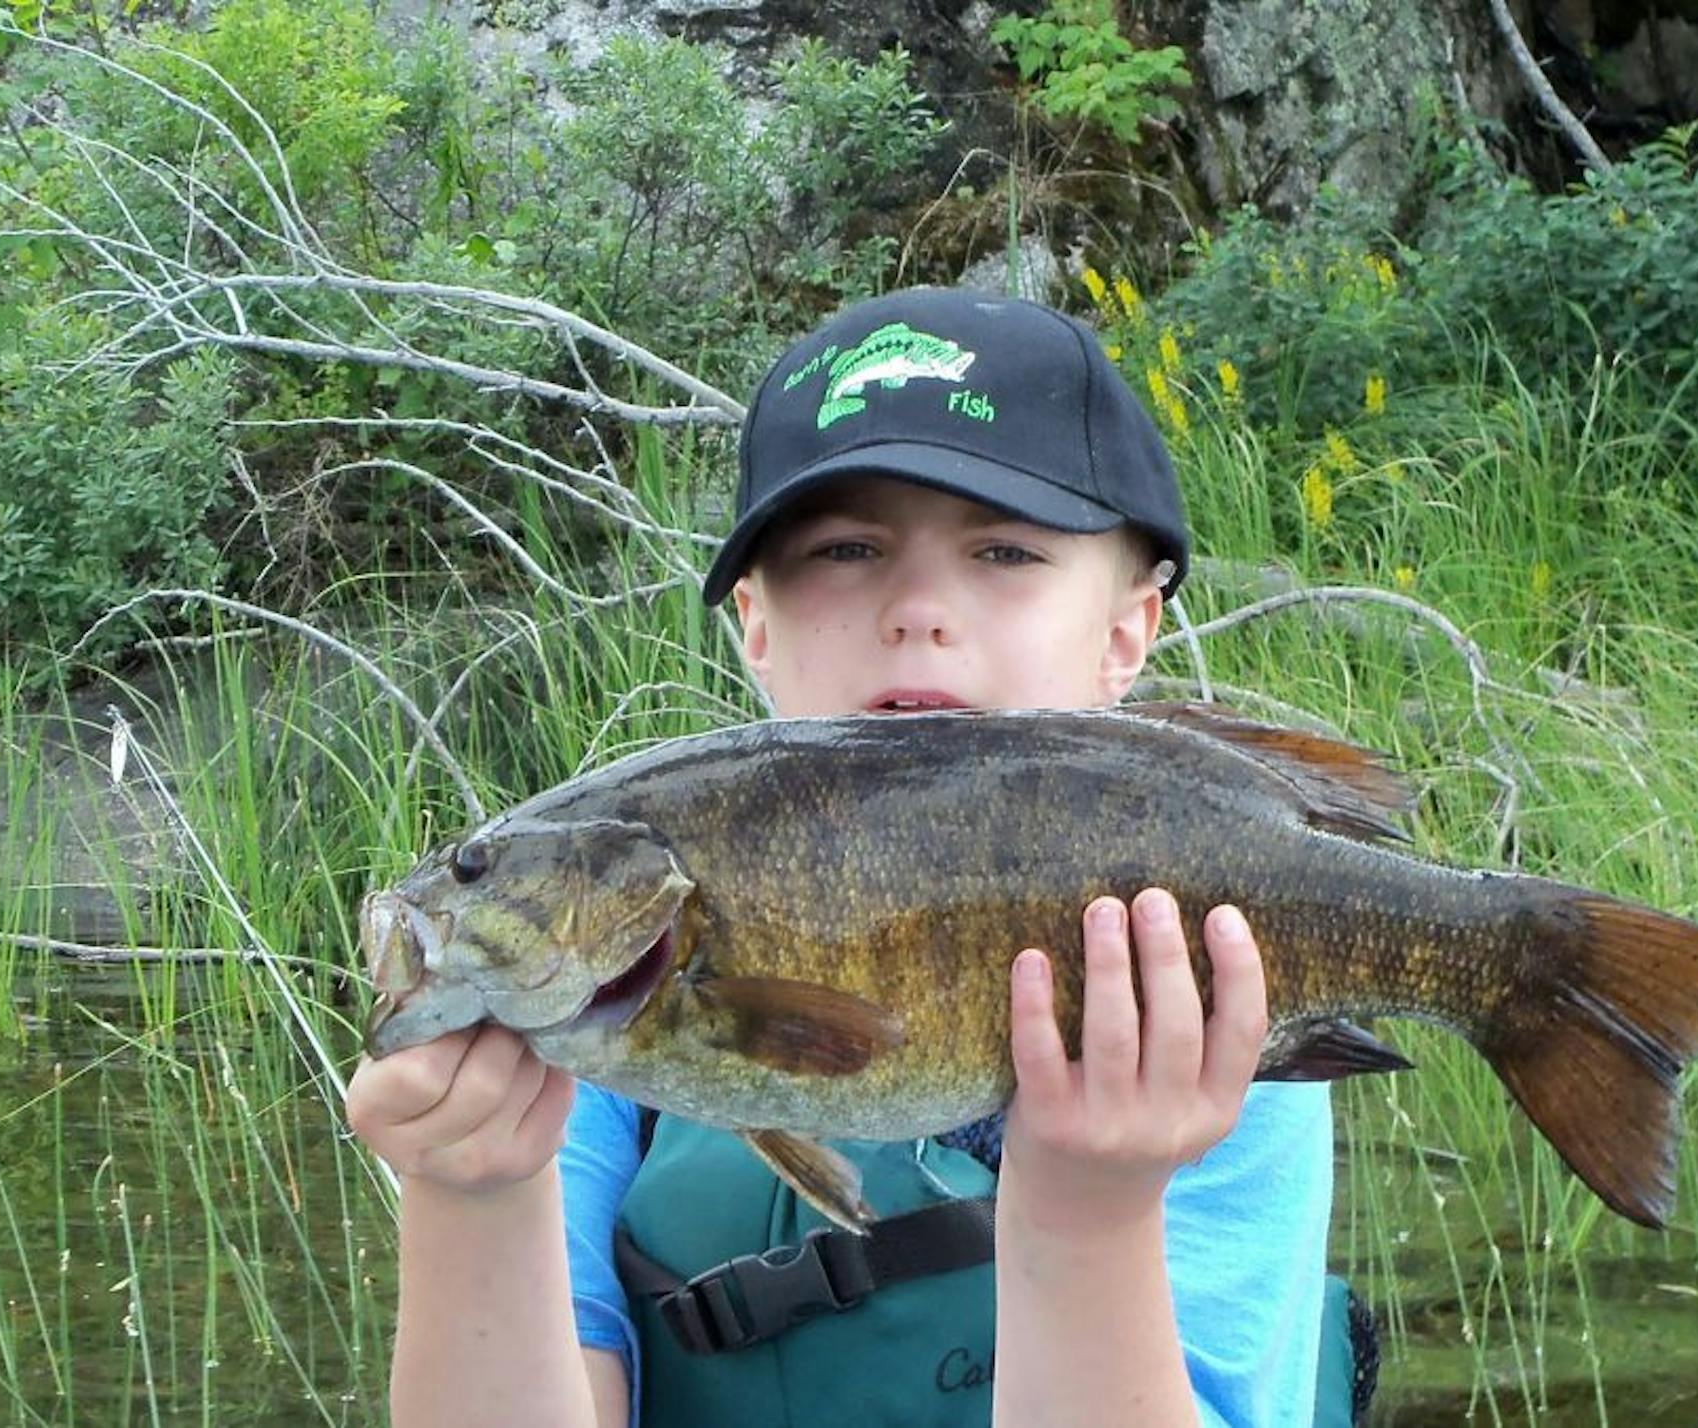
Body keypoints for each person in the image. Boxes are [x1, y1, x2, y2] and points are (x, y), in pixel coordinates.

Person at [346, 287, 1356, 1427]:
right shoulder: (586, 1036)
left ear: (1127, 631)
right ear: (755, 624)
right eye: (847, 549)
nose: (919, 607)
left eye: (1007, 550)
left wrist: (1091, 1218)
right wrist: (470, 1198)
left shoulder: (1203, 1010)